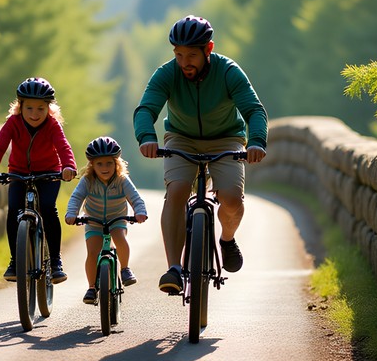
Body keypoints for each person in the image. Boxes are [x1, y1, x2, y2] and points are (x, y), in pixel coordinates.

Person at [133, 15, 267, 295]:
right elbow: (146, 109)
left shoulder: (229, 71)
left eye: (191, 55)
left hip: (226, 139)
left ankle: (227, 240)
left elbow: (253, 110)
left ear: (209, 49)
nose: (184, 63)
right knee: (178, 190)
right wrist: (147, 137)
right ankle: (174, 269)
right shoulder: (167, 74)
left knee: (231, 197)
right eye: (179, 55)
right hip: (181, 139)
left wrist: (255, 142)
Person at [0, 77, 77, 283]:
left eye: (41, 109)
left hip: (49, 173)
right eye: (30, 108)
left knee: (48, 208)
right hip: (18, 173)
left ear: (49, 109)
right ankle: (15, 261)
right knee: (14, 208)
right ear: (20, 106)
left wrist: (69, 166)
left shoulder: (52, 125)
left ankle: (55, 261)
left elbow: (63, 147)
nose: (35, 114)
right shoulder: (12, 123)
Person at [64, 136, 149, 304]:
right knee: (93, 252)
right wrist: (71, 214)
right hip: (93, 221)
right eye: (99, 164)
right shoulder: (87, 181)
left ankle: (125, 269)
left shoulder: (122, 180)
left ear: (116, 164)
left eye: (109, 163)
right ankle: (91, 287)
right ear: (92, 166)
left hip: (117, 219)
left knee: (119, 238)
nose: (105, 168)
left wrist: (140, 212)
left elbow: (135, 198)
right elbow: (76, 198)